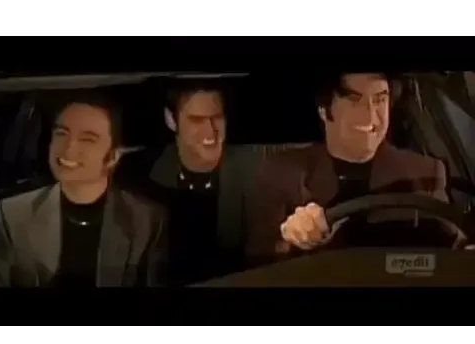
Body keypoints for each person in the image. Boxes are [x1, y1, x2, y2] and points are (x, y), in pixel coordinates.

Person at [247, 72, 463, 261]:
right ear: (324, 109)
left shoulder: (425, 171)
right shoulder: (281, 173)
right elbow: (259, 260)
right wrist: (292, 240)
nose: (371, 117)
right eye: (354, 100)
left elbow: (453, 250)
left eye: (379, 100)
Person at [0, 90, 167, 287]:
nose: (68, 149)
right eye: (62, 134)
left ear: (112, 156)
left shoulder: (147, 221)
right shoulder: (13, 214)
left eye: (87, 139)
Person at [148, 78, 264, 284]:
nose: (210, 131)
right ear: (171, 120)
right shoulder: (149, 178)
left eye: (216, 118)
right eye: (196, 120)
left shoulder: (255, 168)